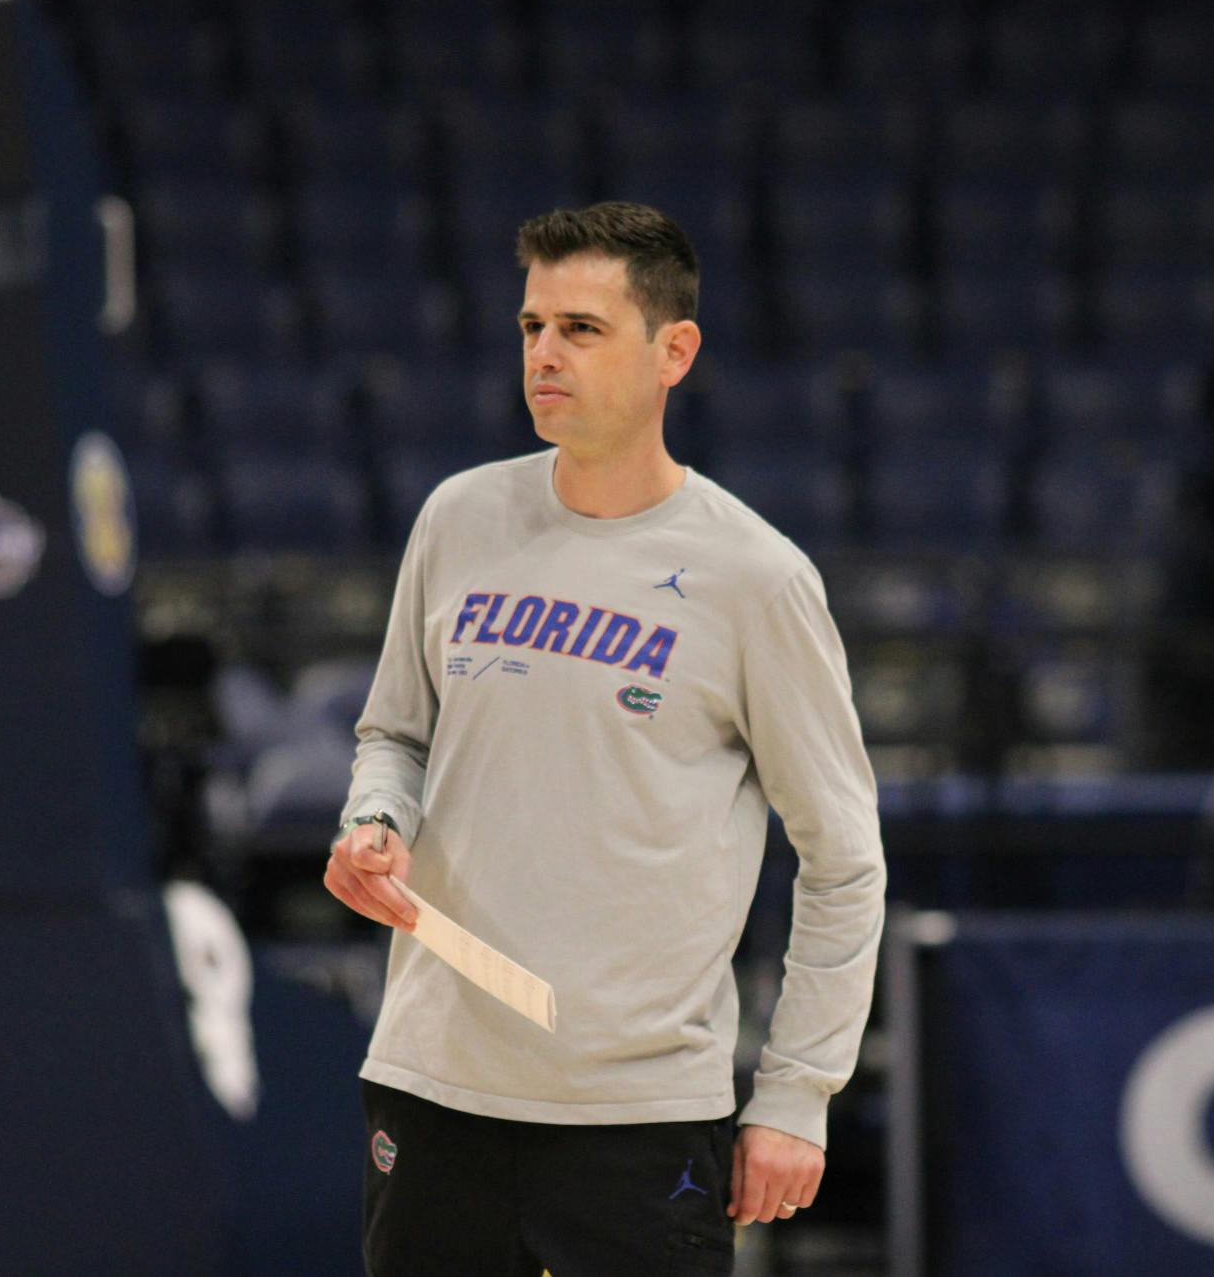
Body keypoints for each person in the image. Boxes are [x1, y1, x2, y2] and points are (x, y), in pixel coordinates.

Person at [323, 202, 886, 1275]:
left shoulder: (755, 578)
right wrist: (373, 821)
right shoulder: (456, 518)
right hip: (434, 1082)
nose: (543, 354)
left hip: (636, 1112)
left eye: (580, 329)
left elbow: (844, 855)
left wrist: (795, 1094)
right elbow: (392, 732)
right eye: (531, 326)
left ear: (674, 351)